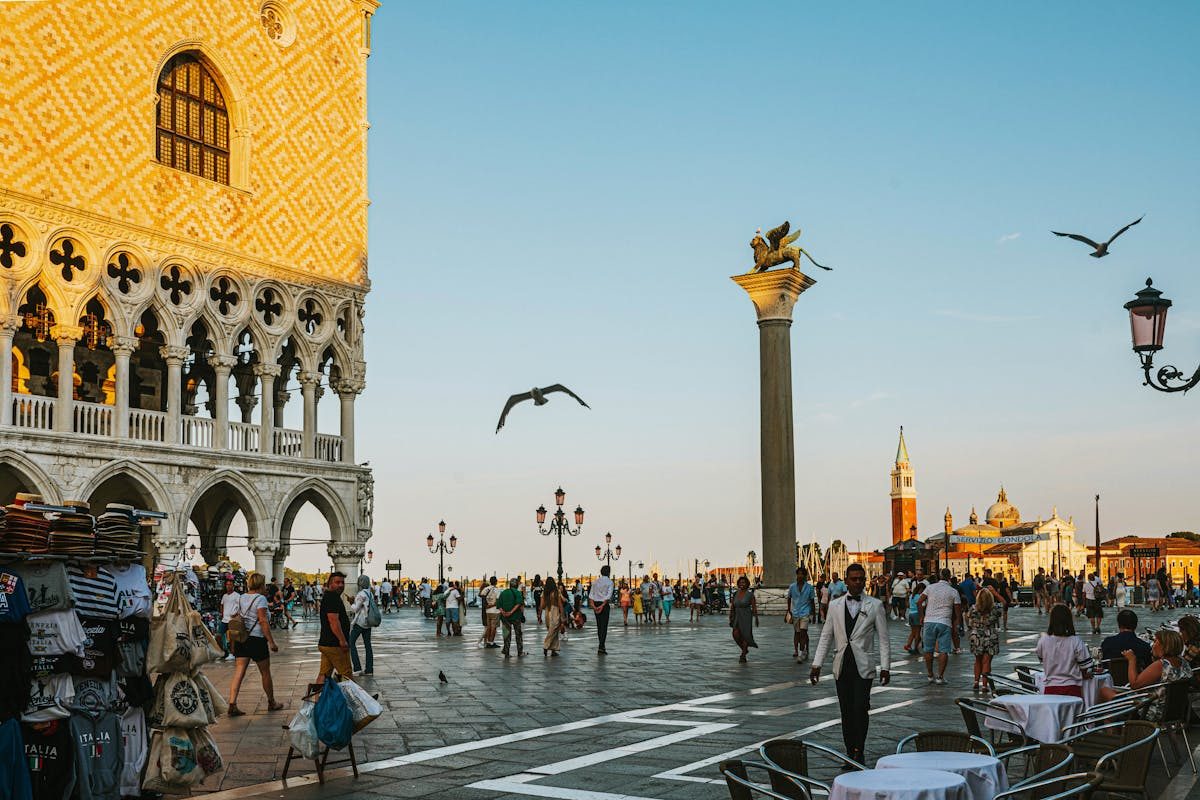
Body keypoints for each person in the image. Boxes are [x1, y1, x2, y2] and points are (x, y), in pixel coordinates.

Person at [810, 564, 891, 765]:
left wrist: (886, 666)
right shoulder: (835, 605)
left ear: (864, 581)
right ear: (846, 581)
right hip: (842, 664)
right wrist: (817, 663)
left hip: (863, 664)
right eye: (853, 579)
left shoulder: (875, 605)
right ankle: (849, 750)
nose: (857, 582)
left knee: (860, 707)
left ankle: (859, 748)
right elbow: (826, 635)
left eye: (860, 579)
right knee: (846, 709)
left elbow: (884, 639)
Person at [1097, 629, 1192, 719]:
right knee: (1115, 695)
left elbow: (1135, 684)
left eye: (1155, 642)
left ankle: (1113, 731)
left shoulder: (1161, 665)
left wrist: (1132, 660)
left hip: (1151, 710)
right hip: (1173, 711)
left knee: (1104, 691)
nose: (1152, 645)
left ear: (1164, 646)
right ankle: (1121, 729)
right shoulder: (1184, 663)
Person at [227, 572, 282, 716]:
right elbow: (263, 621)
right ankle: (271, 702)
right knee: (265, 673)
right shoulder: (261, 599)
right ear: (261, 584)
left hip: (242, 639)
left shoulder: (241, 597)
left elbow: (233, 616)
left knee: (239, 671)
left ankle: (232, 704)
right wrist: (271, 642)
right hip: (256, 639)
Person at [1035, 604, 1092, 697]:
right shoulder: (1075, 641)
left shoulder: (1043, 640)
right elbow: (1084, 665)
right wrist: (1084, 674)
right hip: (1072, 688)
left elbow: (1042, 659)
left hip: (1050, 688)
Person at [918, 569, 961, 685]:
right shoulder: (953, 591)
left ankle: (930, 675)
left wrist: (921, 616)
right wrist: (957, 623)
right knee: (943, 650)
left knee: (928, 649)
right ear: (949, 577)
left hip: (929, 621)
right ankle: (940, 677)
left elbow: (919, 601)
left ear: (939, 576)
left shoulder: (930, 588)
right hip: (944, 622)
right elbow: (958, 610)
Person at [317, 572, 353, 683]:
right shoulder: (333, 598)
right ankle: (358, 700)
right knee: (346, 675)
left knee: (324, 674)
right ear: (330, 584)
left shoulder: (329, 596)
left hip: (326, 643)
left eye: (342, 582)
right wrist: (342, 641)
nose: (341, 585)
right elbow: (334, 621)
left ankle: (316, 700)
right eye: (337, 582)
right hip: (335, 644)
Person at [967, 588, 1002, 694]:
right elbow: (1004, 603)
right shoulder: (995, 609)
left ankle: (976, 681)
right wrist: (996, 593)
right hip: (990, 635)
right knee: (986, 662)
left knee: (977, 660)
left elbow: (968, 619)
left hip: (976, 635)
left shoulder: (973, 609)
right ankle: (985, 685)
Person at [1099, 609, 1152, 675]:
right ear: (1135, 625)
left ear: (1119, 624)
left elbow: (1103, 664)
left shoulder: (1108, 642)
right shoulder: (1144, 646)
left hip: (1111, 681)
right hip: (1136, 681)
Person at [787, 567, 816, 663]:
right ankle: (797, 649)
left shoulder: (810, 588)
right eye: (798, 574)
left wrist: (813, 614)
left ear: (805, 576)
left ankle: (801, 652)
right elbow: (789, 598)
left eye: (802, 574)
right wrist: (788, 611)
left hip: (805, 612)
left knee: (803, 632)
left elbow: (812, 601)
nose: (800, 576)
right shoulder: (792, 587)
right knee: (797, 633)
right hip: (795, 612)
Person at [348, 573, 375, 676]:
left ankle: (357, 668)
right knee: (368, 645)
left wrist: (351, 602)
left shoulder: (361, 594)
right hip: (368, 622)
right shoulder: (370, 593)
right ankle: (369, 669)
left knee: (351, 643)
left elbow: (356, 609)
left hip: (360, 622)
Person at [728, 575, 759, 662]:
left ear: (747, 584)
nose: (742, 584)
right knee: (735, 634)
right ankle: (744, 649)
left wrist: (756, 618)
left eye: (744, 582)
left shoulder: (750, 595)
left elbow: (754, 607)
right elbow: (732, 606)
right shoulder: (735, 593)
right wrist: (731, 616)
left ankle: (743, 655)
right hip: (737, 615)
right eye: (740, 582)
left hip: (746, 616)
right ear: (738, 584)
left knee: (745, 635)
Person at [496, 577, 525, 657]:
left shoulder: (503, 592)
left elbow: (498, 604)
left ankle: (507, 652)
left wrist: (504, 612)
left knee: (506, 635)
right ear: (517, 585)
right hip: (516, 617)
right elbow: (519, 604)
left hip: (504, 617)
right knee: (518, 634)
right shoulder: (518, 593)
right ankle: (520, 652)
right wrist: (511, 612)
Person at [589, 565, 614, 654]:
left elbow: (591, 596)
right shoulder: (610, 582)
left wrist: (594, 607)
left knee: (599, 626)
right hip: (604, 605)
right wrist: (602, 606)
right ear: (608, 572)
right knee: (604, 626)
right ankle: (601, 646)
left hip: (596, 603)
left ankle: (601, 645)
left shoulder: (595, 582)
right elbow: (608, 596)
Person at [541, 577, 564, 657]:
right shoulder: (556, 592)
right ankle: (546, 646)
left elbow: (542, 606)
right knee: (553, 631)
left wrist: (539, 616)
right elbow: (560, 604)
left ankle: (554, 649)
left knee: (553, 631)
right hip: (555, 611)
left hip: (547, 612)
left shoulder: (544, 593)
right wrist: (562, 615)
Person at [219, 577, 240, 660]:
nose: (228, 586)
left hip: (232, 620)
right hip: (224, 619)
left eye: (230, 585)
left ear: (233, 586)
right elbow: (222, 605)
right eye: (227, 585)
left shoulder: (237, 596)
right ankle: (224, 651)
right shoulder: (224, 596)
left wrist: (236, 614)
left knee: (232, 637)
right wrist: (222, 613)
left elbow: (239, 606)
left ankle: (232, 653)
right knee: (218, 636)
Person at [904, 579, 925, 654]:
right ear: (921, 589)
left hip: (911, 614)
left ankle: (908, 645)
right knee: (917, 633)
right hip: (916, 614)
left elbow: (909, 605)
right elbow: (920, 607)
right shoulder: (919, 596)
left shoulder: (911, 596)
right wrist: (922, 616)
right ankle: (916, 648)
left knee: (913, 632)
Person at [479, 576, 501, 648]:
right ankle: (491, 642)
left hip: (487, 611)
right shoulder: (497, 590)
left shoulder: (486, 589)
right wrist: (491, 605)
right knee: (493, 628)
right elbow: (498, 602)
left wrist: (487, 604)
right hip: (495, 611)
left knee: (489, 627)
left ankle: (488, 641)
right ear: (496, 582)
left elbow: (481, 595)